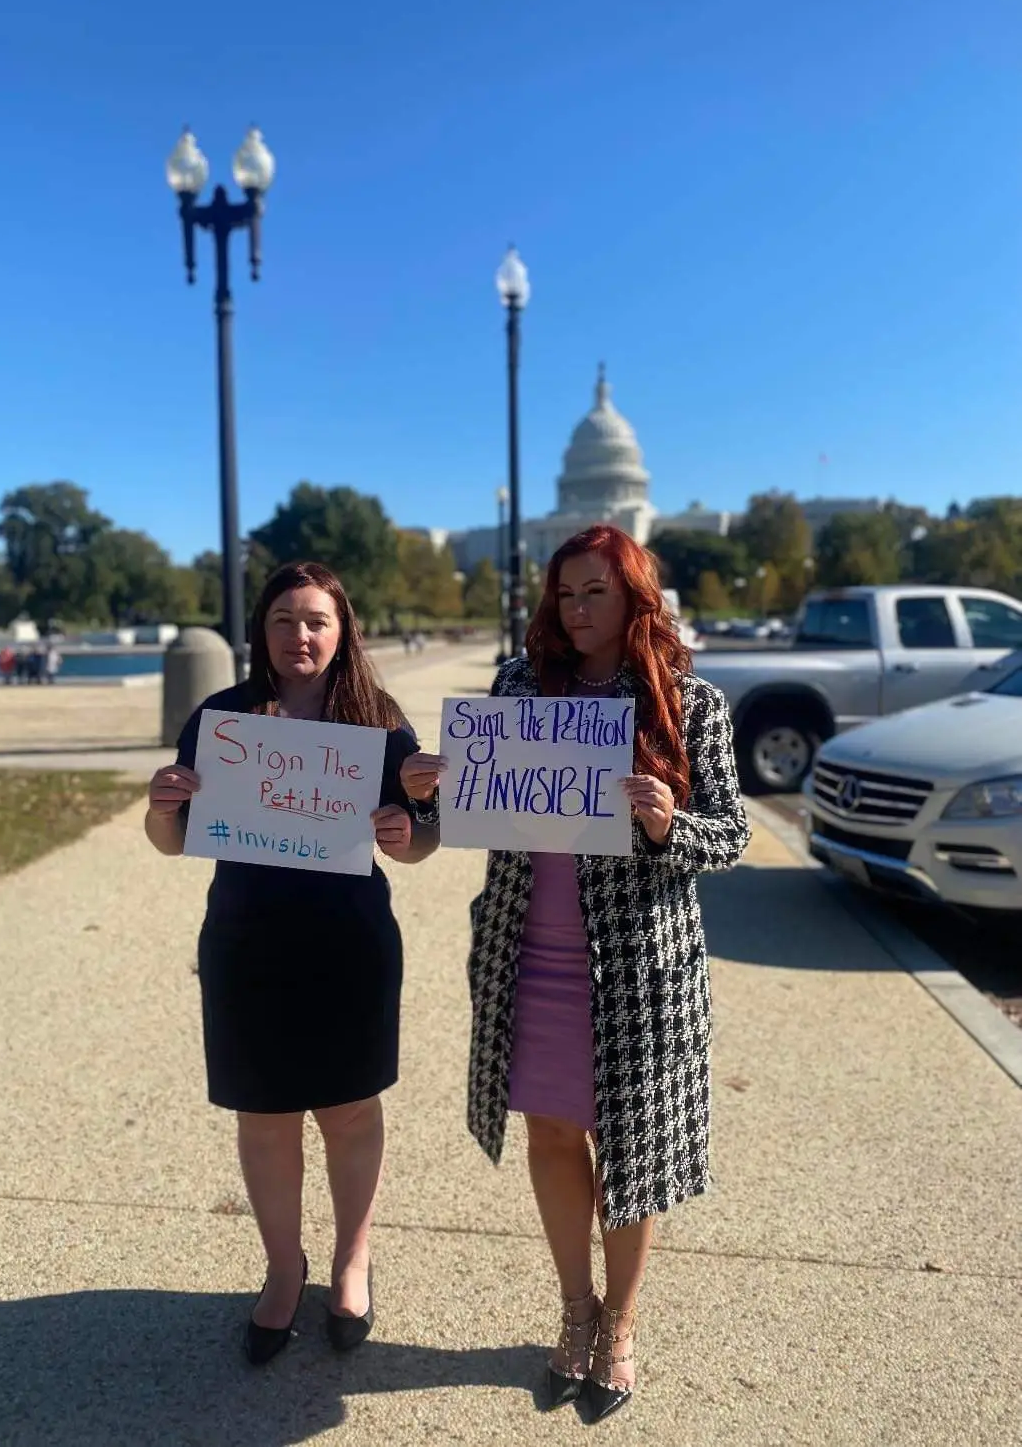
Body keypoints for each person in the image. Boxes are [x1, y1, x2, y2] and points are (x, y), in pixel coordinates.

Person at [400, 524, 749, 1423]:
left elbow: (731, 834)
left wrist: (670, 824)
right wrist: (433, 793)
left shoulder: (686, 702)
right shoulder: (520, 688)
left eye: (596, 592)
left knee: (631, 1150)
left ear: (635, 598)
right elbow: (478, 812)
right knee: (551, 1134)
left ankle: (619, 1324)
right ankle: (574, 1309)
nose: (578, 609)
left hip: (637, 965)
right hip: (530, 954)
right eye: (565, 593)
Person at [145, 562, 440, 1366]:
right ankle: (283, 1269)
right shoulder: (224, 718)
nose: (299, 635)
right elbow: (172, 839)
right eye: (283, 619)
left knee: (349, 1111)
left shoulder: (377, 722)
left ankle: (352, 1261)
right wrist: (161, 808)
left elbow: (420, 841)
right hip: (248, 943)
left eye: (315, 620)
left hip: (349, 944)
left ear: (342, 631)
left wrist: (406, 832)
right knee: (265, 1116)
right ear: (261, 631)